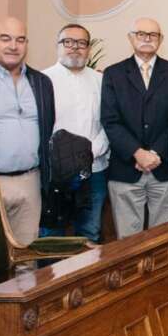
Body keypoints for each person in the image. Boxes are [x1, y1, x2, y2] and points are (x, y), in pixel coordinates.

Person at [101, 18, 168, 237]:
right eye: (141, 34)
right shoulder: (114, 74)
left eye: (153, 35)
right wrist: (138, 153)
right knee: (128, 244)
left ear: (161, 40)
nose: (147, 39)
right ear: (131, 37)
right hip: (126, 169)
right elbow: (110, 120)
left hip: (164, 168)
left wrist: (155, 153)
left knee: (164, 240)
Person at [0, 17, 54, 246]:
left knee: (26, 257)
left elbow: (47, 128)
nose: (14, 46)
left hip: (31, 182)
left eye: (20, 40)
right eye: (5, 38)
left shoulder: (41, 82)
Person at [42, 23, 110, 242]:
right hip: (55, 174)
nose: (75, 47)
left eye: (82, 43)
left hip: (95, 169)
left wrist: (91, 152)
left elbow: (111, 121)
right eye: (68, 42)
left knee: (90, 232)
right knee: (52, 235)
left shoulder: (101, 81)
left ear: (88, 48)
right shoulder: (43, 81)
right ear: (58, 46)